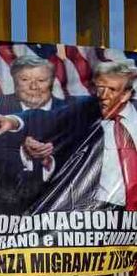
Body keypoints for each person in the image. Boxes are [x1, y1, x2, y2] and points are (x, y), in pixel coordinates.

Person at [10, 60, 137, 211]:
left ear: (126, 94)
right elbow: (49, 117)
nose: (104, 95)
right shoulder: (87, 110)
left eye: (112, 90)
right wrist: (13, 121)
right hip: (101, 212)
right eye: (100, 88)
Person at [0, 55, 70, 214]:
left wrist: (48, 162)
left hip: (58, 213)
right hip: (1, 212)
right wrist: (25, 156)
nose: (33, 87)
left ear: (52, 81)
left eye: (41, 80)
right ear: (14, 81)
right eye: (25, 80)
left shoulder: (71, 113)